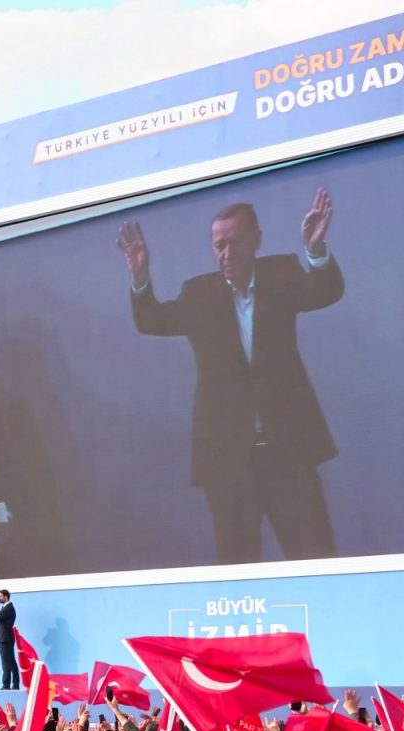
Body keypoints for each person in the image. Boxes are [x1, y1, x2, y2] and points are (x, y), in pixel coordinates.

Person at [117, 190, 344, 564]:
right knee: (238, 566)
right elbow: (151, 320)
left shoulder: (281, 275)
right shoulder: (198, 295)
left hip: (289, 453)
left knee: (316, 557)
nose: (227, 253)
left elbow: (327, 291)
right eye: (219, 245)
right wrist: (140, 277)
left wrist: (315, 250)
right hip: (227, 463)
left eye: (235, 243)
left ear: (257, 241)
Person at [0, 591, 17, 690]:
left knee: (6, 662)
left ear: (6, 596)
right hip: (6, 637)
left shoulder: (8, 608)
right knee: (11, 662)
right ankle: (15, 684)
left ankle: (6, 685)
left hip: (5, 638)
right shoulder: (6, 608)